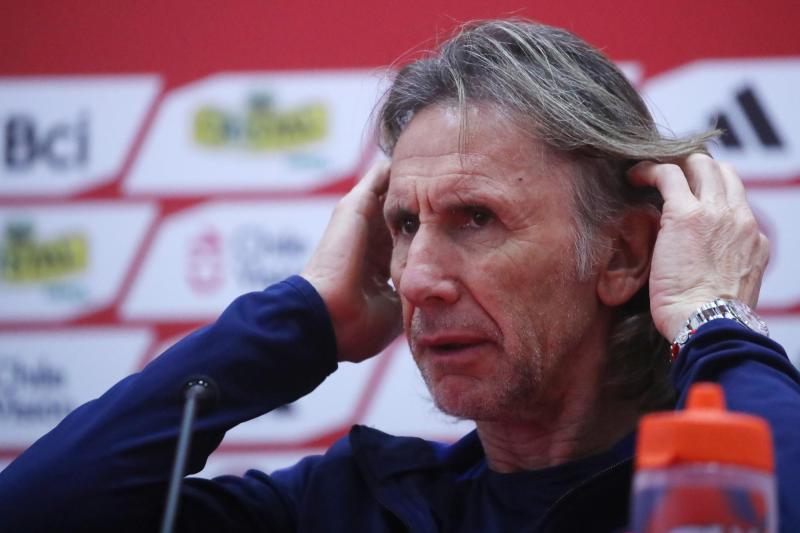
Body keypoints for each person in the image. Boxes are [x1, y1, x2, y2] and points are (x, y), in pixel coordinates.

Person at [1, 19, 799, 533]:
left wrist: (711, 315)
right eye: (404, 225)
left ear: (624, 255)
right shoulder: (351, 507)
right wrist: (301, 317)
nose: (416, 279)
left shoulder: (711, 493)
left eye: (475, 218)